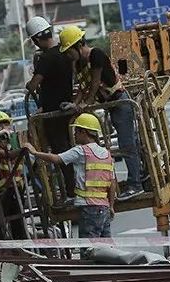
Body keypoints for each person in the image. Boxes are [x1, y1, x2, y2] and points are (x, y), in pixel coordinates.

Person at [59, 25, 143, 201]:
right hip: (110, 105)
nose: (68, 56)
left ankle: (136, 184)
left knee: (127, 144)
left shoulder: (95, 55)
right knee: (128, 141)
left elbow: (95, 82)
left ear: (78, 45)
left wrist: (86, 104)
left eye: (69, 51)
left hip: (120, 101)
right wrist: (75, 104)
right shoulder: (79, 64)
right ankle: (140, 175)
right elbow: (83, 88)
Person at [25, 113, 115, 239]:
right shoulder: (107, 154)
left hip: (89, 208)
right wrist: (111, 206)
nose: (74, 134)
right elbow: (112, 183)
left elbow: (56, 158)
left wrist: (34, 152)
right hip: (104, 207)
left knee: (89, 249)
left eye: (76, 131)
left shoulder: (81, 151)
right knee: (106, 249)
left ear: (84, 132)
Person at [25, 16, 75, 197]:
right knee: (72, 147)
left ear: (36, 39)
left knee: (61, 153)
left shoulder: (46, 58)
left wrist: (29, 85)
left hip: (53, 114)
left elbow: (33, 85)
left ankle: (71, 191)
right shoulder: (65, 53)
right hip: (68, 108)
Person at [0, 110, 28, 239]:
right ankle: (1, 251)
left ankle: (21, 249)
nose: (4, 129)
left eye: (5, 125)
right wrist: (22, 150)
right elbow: (3, 155)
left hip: (16, 189)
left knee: (18, 223)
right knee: (0, 226)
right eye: (0, 127)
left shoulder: (13, 143)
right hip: (2, 191)